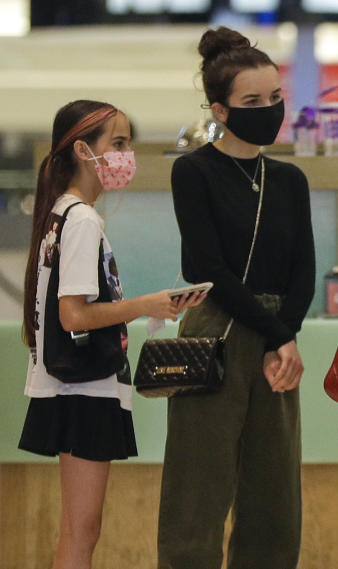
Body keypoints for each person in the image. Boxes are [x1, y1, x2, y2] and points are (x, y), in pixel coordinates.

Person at [19, 99, 203, 569]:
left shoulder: (63, 214)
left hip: (73, 385)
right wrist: (146, 305)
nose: (125, 155)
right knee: (82, 531)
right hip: (82, 388)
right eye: (117, 144)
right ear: (83, 150)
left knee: (80, 529)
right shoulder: (80, 218)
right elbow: (74, 316)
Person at [157, 27, 315, 569]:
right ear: (220, 111)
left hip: (278, 337)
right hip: (213, 330)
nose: (269, 109)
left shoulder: (290, 179)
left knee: (274, 494)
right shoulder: (194, 170)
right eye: (252, 101)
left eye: (275, 98)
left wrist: (285, 334)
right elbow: (207, 269)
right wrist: (279, 336)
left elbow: (303, 270)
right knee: (197, 487)